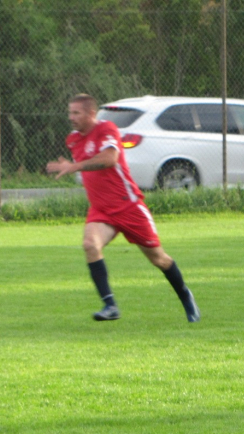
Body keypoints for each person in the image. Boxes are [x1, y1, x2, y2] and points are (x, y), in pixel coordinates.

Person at [46, 94, 200, 323]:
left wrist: (75, 166)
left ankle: (185, 295)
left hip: (128, 206)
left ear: (91, 113)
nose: (71, 117)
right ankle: (110, 305)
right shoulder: (73, 140)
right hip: (101, 211)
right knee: (90, 245)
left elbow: (110, 158)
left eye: (76, 113)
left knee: (159, 259)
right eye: (70, 112)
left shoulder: (107, 129)